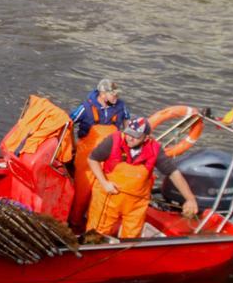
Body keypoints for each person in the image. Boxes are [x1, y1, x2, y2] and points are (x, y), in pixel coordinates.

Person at [86, 117, 199, 239]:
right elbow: (92, 159)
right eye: (128, 133)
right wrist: (104, 183)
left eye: (135, 136)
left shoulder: (155, 149)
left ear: (146, 138)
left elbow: (173, 173)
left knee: (131, 237)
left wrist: (190, 199)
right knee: (96, 235)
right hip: (108, 198)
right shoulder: (113, 140)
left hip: (136, 203)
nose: (130, 138)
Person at [69, 78, 130, 229]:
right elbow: (68, 123)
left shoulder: (121, 106)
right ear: (103, 94)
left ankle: (96, 224)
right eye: (113, 94)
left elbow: (127, 124)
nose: (116, 97)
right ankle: (75, 222)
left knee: (104, 190)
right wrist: (72, 144)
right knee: (83, 190)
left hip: (111, 153)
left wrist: (126, 145)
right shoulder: (85, 107)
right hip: (87, 154)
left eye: (116, 94)